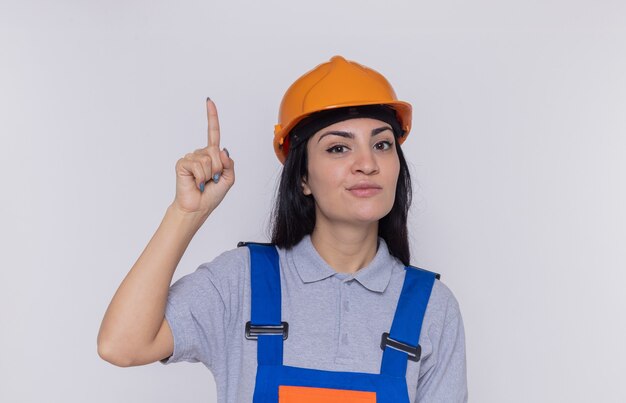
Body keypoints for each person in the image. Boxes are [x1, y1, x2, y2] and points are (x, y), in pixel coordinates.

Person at [98, 55, 468, 402]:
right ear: (302, 176)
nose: (367, 163)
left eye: (382, 144)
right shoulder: (241, 281)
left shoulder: (432, 307)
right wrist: (185, 213)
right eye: (339, 148)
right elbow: (122, 345)